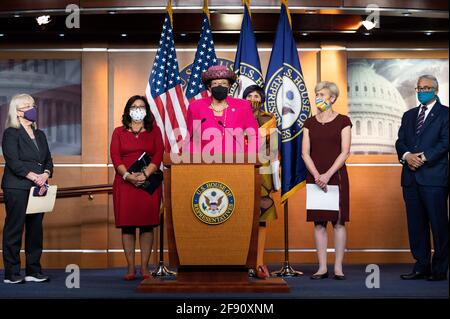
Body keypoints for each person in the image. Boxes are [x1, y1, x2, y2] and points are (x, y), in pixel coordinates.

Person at [396, 75, 449, 282]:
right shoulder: (408, 115)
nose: (422, 91)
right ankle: (421, 266)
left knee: (438, 225)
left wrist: (423, 157)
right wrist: (407, 156)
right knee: (416, 226)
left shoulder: (446, 114)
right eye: (419, 88)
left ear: (435, 90)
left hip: (434, 178)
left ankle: (439, 269)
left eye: (426, 87)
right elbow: (400, 141)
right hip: (410, 178)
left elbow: (445, 142)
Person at [302, 81, 352, 280]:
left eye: (322, 94)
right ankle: (322, 267)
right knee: (319, 223)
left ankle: (338, 267)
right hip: (315, 177)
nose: (318, 97)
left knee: (338, 223)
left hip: (336, 176)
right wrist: (316, 175)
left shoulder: (343, 121)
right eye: (316, 93)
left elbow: (345, 151)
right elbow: (305, 153)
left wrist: (327, 175)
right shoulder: (309, 123)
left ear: (332, 98)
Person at [110, 95, 164, 281]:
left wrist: (145, 174)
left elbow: (158, 154)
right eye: (134, 106)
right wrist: (128, 176)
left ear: (147, 111)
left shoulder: (154, 131)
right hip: (125, 183)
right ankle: (131, 268)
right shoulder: (118, 132)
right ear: (128, 110)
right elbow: (115, 156)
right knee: (128, 226)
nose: (138, 109)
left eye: (141, 106)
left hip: (148, 183)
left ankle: (145, 268)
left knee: (147, 226)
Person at [1, 94, 53, 284]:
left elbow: (48, 160)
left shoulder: (40, 134)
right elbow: (13, 162)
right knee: (14, 229)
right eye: (26, 106)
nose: (32, 108)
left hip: (38, 188)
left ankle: (33, 270)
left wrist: (45, 175)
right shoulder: (11, 133)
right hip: (17, 187)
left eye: (33, 105)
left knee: (35, 230)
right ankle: (12, 273)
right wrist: (33, 176)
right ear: (17, 111)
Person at [243, 85, 279, 279]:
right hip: (239, 170)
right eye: (249, 95)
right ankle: (241, 262)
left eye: (257, 95)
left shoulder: (268, 119)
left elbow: (273, 150)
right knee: (240, 215)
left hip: (263, 171)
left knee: (262, 215)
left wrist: (274, 178)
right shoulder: (236, 117)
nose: (253, 98)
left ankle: (258, 262)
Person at [186, 65, 259, 156]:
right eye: (215, 84)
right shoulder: (196, 107)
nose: (219, 86)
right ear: (209, 87)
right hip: (204, 164)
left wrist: (247, 159)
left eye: (224, 83)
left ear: (229, 86)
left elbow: (254, 136)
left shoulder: (242, 106)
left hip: (237, 164)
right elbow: (191, 139)